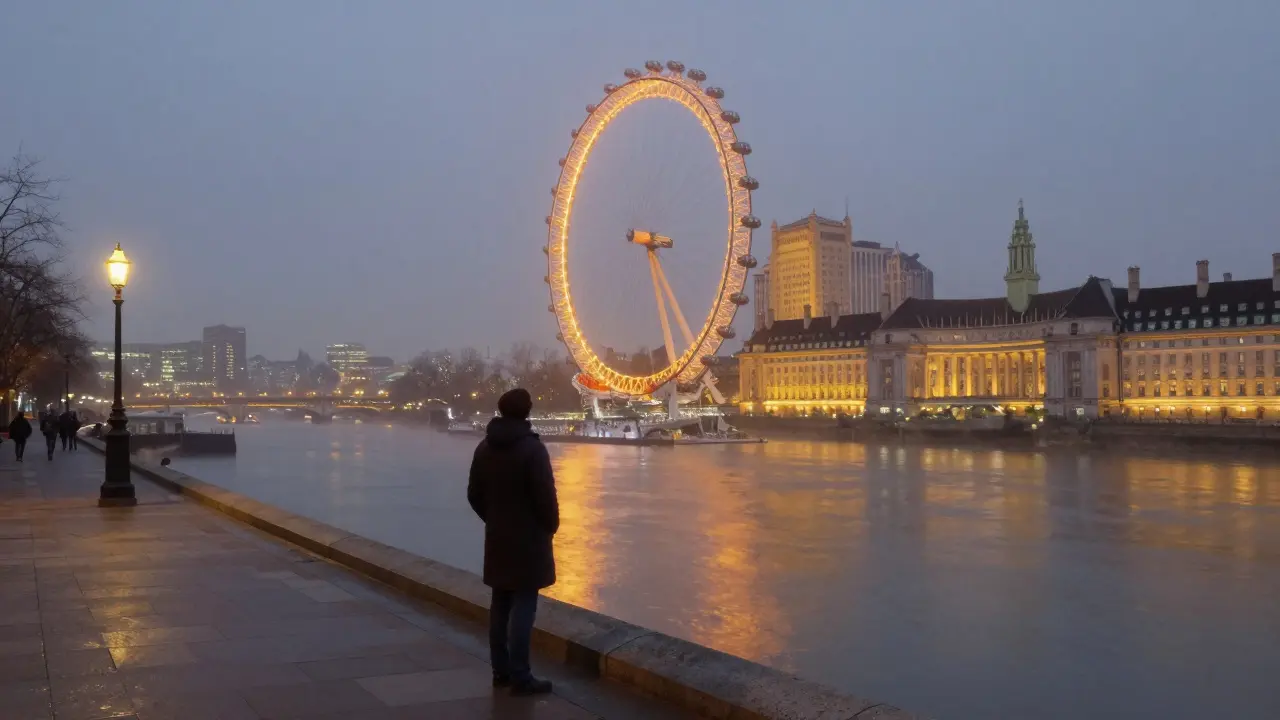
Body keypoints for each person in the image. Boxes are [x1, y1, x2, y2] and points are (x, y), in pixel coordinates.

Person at [466, 388, 559, 695]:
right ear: (527, 412)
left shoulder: (484, 447)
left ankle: (501, 670)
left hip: (497, 536)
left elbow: (473, 495)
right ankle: (521, 675)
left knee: (500, 603)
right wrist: (549, 526)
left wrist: (493, 519)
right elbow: (545, 496)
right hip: (529, 538)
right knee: (524, 604)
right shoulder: (533, 450)